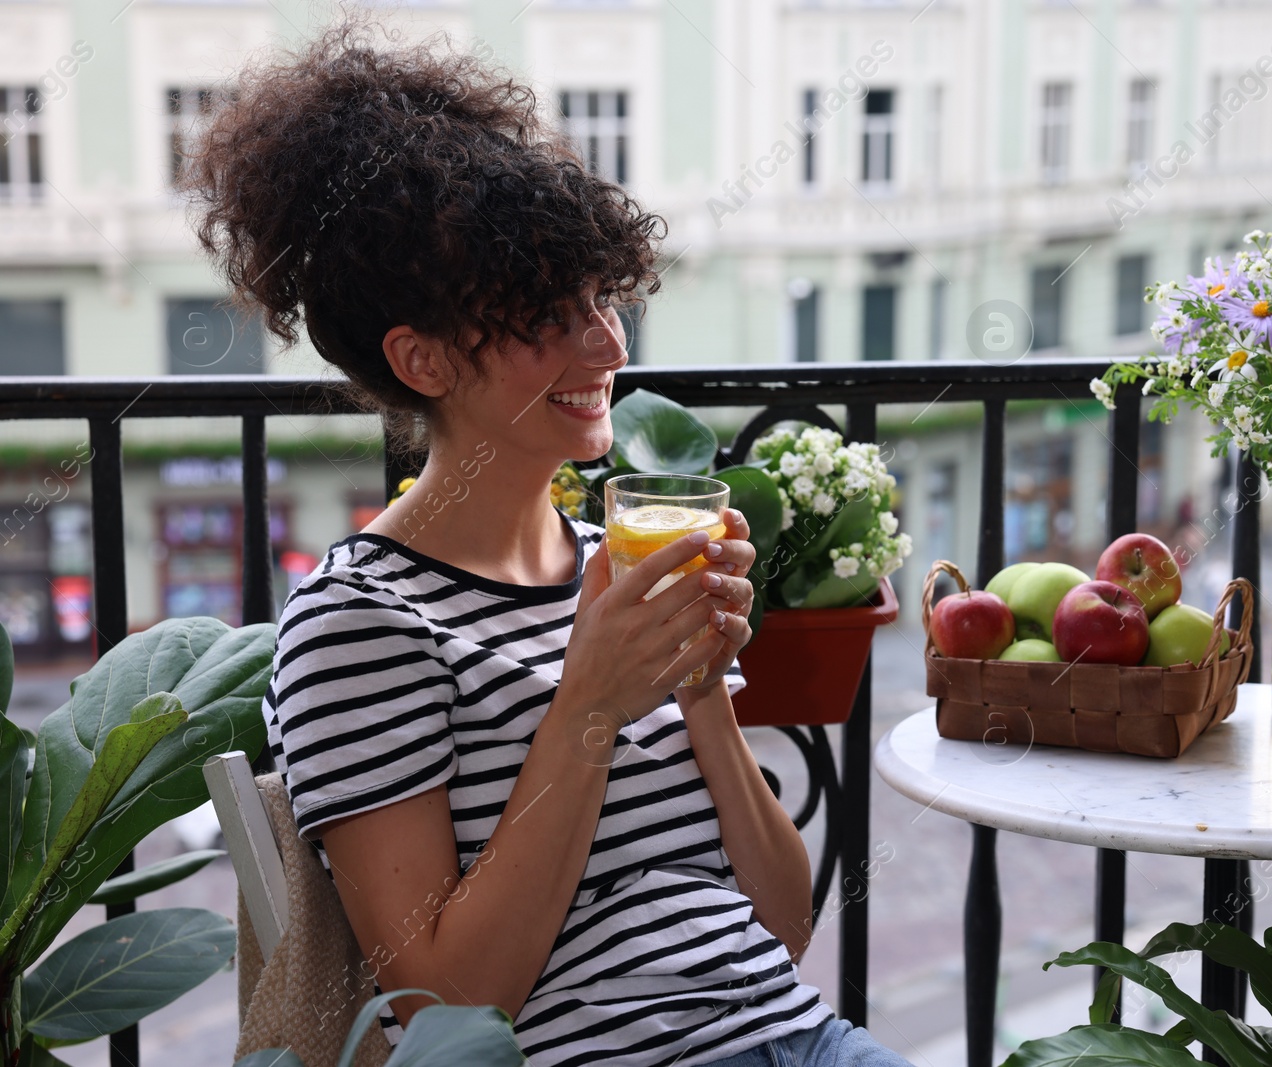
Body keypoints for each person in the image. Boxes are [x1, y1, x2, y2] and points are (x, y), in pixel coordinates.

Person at [185, 23, 911, 1067]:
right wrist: (590, 703)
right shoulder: (359, 623)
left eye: (601, 299)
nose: (607, 344)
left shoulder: (613, 564)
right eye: (545, 316)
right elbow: (450, 1003)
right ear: (422, 358)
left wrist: (702, 686)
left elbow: (782, 926)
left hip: (794, 1036)